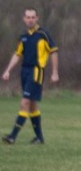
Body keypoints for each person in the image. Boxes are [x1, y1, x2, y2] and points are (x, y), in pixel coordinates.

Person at [2, 8, 59, 145]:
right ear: (24, 19)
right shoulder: (24, 36)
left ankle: (12, 136)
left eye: (33, 17)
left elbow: (54, 51)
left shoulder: (43, 34)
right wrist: (8, 70)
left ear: (37, 18)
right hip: (25, 72)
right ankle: (39, 138)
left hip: (36, 72)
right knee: (32, 105)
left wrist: (55, 72)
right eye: (28, 17)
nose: (30, 19)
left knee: (25, 102)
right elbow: (17, 54)